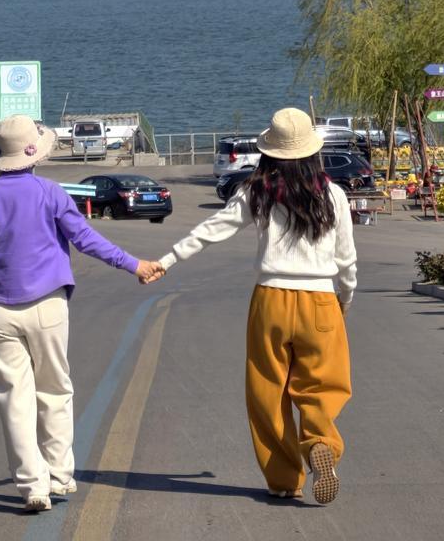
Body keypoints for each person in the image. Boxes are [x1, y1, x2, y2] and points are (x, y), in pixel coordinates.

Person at [151, 107, 357, 504]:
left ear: (270, 153)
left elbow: (213, 229)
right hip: (320, 300)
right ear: (312, 151)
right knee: (322, 385)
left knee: (267, 391)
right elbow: (346, 259)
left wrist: (167, 260)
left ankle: (284, 479)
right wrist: (345, 297)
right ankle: (321, 442)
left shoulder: (257, 191)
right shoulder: (333, 195)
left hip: (271, 299)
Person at [0, 114, 162, 513]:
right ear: (34, 154)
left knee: (13, 400)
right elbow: (85, 239)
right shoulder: (50, 192)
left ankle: (32, 486)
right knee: (54, 391)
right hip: (47, 303)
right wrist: (134, 265)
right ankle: (58, 475)